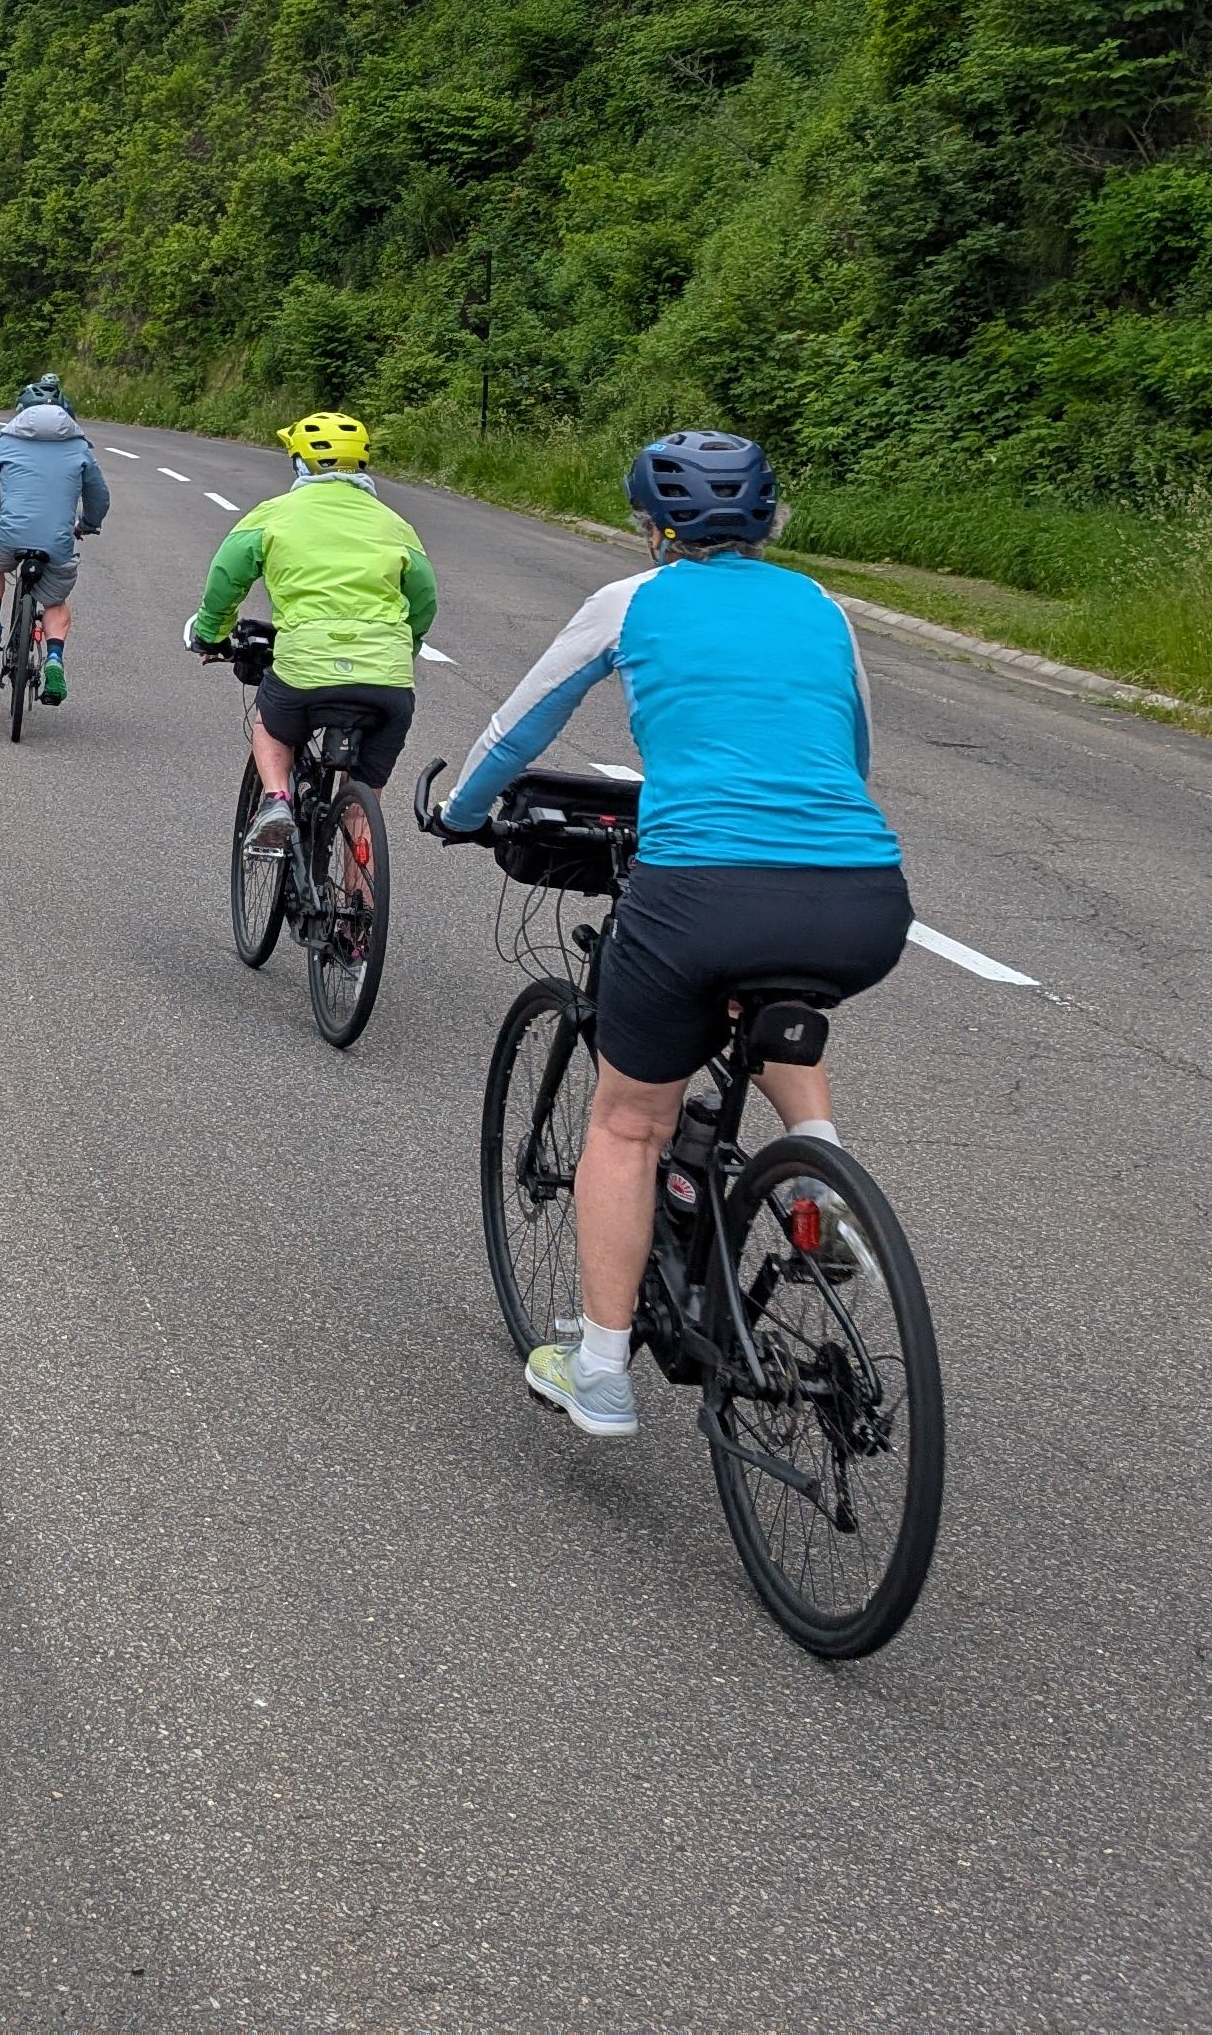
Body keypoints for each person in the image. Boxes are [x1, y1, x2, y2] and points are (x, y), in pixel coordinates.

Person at [438, 429, 911, 1440]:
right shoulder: (824, 607)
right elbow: (853, 751)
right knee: (762, 998)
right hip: (862, 895)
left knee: (628, 1123)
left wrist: (463, 811)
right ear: (771, 519)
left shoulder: (633, 601)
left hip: (700, 889)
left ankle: (601, 1374)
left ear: (651, 527)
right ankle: (820, 1182)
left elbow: (520, 728)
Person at [187, 412, 436, 887]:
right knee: (365, 797)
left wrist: (213, 634)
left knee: (271, 724)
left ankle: (278, 800)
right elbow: (423, 598)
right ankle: (357, 928)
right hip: (386, 678)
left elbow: (226, 577)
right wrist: (408, 647)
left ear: (300, 463)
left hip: (306, 668)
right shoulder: (395, 524)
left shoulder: (274, 514)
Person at [0, 380, 110, 699]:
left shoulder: (5, 442)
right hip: (57, 542)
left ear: (21, 412)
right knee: (55, 602)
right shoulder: (79, 446)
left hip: (9, 534)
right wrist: (87, 525)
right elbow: (99, 497)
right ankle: (55, 660)